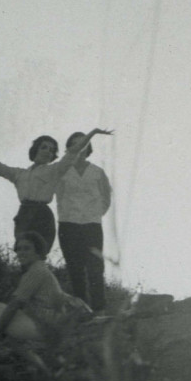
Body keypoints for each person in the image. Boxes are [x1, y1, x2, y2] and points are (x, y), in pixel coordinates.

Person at [0, 129, 112, 251]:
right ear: (35, 151)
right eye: (44, 147)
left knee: (38, 255)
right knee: (22, 253)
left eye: (51, 149)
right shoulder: (19, 174)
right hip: (23, 216)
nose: (48, 152)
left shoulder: (55, 170)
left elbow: (74, 151)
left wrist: (94, 133)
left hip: (42, 216)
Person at [0, 231, 90, 349]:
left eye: (27, 249)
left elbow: (14, 306)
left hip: (43, 328)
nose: (21, 253)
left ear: (38, 252)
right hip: (47, 325)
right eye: (19, 249)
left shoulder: (37, 271)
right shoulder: (39, 269)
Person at [56, 130, 113, 312]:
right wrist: (67, 214)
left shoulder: (97, 172)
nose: (80, 147)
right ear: (69, 147)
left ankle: (99, 310)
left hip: (92, 225)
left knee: (96, 268)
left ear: (89, 147)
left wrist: (94, 214)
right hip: (68, 225)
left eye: (84, 143)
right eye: (75, 143)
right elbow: (58, 195)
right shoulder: (63, 170)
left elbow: (106, 197)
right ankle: (82, 311)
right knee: (75, 269)